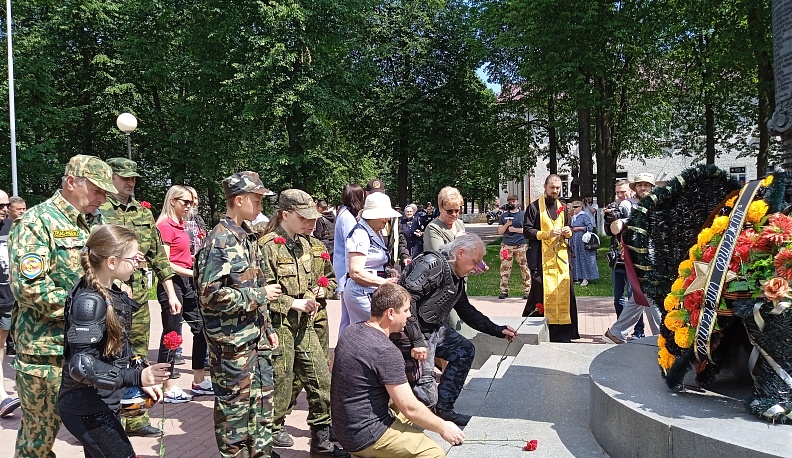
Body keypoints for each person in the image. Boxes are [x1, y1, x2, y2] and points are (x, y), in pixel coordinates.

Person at [8, 155, 116, 457]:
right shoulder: (36, 222)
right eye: (96, 190)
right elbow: (29, 288)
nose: (102, 198)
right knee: (38, 441)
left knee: (95, 433)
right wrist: (88, 311)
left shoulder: (96, 224)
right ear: (72, 182)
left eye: (105, 192)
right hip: (47, 351)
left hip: (88, 348)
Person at [58, 225, 171, 458]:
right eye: (132, 258)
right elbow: (82, 366)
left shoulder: (111, 293)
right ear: (111, 262)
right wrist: (136, 377)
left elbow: (118, 348)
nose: (137, 263)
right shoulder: (89, 301)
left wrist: (140, 374)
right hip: (84, 405)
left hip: (103, 401)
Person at [195, 171, 282, 458]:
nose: (260, 206)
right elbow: (210, 295)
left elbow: (254, 282)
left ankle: (261, 453)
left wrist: (268, 328)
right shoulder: (220, 241)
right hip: (232, 345)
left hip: (254, 341)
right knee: (234, 411)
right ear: (240, 199)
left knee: (261, 405)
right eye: (257, 200)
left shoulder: (245, 237)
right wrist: (259, 296)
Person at [258, 189, 347, 456]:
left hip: (306, 325)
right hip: (279, 325)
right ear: (285, 214)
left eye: (313, 217)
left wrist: (318, 293)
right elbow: (258, 293)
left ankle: (321, 441)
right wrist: (290, 302)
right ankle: (269, 433)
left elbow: (328, 280)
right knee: (282, 382)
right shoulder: (268, 247)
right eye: (304, 217)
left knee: (321, 379)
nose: (311, 223)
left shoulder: (310, 245)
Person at [331, 283, 465, 457]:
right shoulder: (385, 350)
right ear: (391, 313)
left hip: (342, 428)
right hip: (366, 436)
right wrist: (443, 427)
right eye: (406, 310)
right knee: (434, 453)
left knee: (412, 412)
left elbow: (332, 368)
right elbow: (410, 407)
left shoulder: (350, 331)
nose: (410, 316)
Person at [100, 157, 182, 437]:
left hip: (136, 301)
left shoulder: (143, 214)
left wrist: (171, 292)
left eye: (133, 178)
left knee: (137, 355)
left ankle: (135, 417)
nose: (130, 182)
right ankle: (109, 419)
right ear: (111, 178)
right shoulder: (99, 212)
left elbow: (158, 257)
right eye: (125, 177)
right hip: (107, 299)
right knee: (109, 355)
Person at [401, 234, 517, 426]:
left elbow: (466, 310)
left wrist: (497, 330)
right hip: (410, 332)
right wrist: (416, 341)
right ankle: (416, 422)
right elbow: (406, 299)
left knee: (464, 350)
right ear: (461, 253)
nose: (477, 267)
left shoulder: (456, 276)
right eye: (475, 261)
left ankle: (445, 409)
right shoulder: (432, 264)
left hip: (434, 329)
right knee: (426, 395)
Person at [603, 173, 663, 344]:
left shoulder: (656, 203)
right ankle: (661, 336)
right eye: (640, 185)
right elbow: (622, 218)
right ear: (635, 187)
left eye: (646, 185)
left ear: (651, 187)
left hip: (653, 255)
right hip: (636, 257)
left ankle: (616, 332)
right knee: (649, 293)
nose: (643, 188)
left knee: (640, 296)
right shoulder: (627, 204)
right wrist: (618, 221)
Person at [156, 185, 202, 403]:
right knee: (172, 334)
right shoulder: (165, 226)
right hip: (172, 283)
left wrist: (196, 263)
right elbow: (165, 263)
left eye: (191, 203)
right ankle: (167, 385)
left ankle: (200, 380)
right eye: (185, 202)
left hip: (187, 281)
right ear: (172, 201)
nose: (189, 206)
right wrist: (193, 272)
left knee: (201, 327)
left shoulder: (181, 225)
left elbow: (182, 256)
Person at [521, 174, 580, 342]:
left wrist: (569, 231)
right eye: (552, 187)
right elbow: (527, 230)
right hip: (540, 257)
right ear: (545, 187)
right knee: (539, 291)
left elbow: (568, 226)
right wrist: (546, 234)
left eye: (558, 188)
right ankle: (532, 329)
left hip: (561, 259)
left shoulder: (562, 207)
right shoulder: (534, 207)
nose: (555, 191)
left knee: (564, 291)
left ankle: (563, 333)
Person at [341, 192, 403, 336]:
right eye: (384, 215)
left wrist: (387, 270)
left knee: (369, 335)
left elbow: (371, 263)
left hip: (368, 290)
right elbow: (355, 272)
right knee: (372, 334)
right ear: (372, 215)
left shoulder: (373, 232)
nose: (387, 219)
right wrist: (384, 282)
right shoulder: (360, 234)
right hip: (361, 292)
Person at [602, 180, 645, 338]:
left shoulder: (636, 207)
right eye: (618, 192)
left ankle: (638, 331)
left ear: (631, 191)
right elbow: (609, 233)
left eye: (623, 192)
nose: (620, 195)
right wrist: (608, 219)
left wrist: (624, 219)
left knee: (634, 296)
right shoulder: (613, 207)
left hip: (633, 258)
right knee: (618, 296)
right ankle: (621, 329)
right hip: (617, 257)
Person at [333, 184, 365, 333]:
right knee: (348, 320)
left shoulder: (344, 214)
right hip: (346, 273)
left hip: (344, 271)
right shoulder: (347, 218)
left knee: (346, 318)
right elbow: (351, 248)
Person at [0, 189, 20, 418]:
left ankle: (2, 396)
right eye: (0, 206)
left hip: (6, 298)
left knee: (1, 346)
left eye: (6, 205)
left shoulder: (11, 228)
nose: (4, 209)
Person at [497, 194, 531, 300]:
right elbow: (500, 231)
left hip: (520, 245)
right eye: (509, 201)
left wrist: (515, 230)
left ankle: (527, 290)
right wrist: (507, 224)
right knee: (505, 269)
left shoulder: (523, 215)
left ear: (518, 202)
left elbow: (527, 231)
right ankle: (504, 290)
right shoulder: (503, 216)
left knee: (525, 268)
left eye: (513, 201)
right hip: (506, 246)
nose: (511, 203)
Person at [423, 187, 465, 252]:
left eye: (457, 211)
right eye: (450, 211)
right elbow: (439, 257)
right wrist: (457, 241)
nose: (454, 214)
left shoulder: (459, 223)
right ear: (440, 208)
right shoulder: (433, 228)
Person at [569, 200, 599, 286]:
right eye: (573, 207)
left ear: (581, 207)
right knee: (576, 259)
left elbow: (590, 227)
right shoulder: (574, 216)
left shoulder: (584, 216)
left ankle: (586, 277)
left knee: (585, 259)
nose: (574, 209)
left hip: (583, 241)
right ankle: (578, 277)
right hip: (574, 241)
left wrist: (579, 228)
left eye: (576, 207)